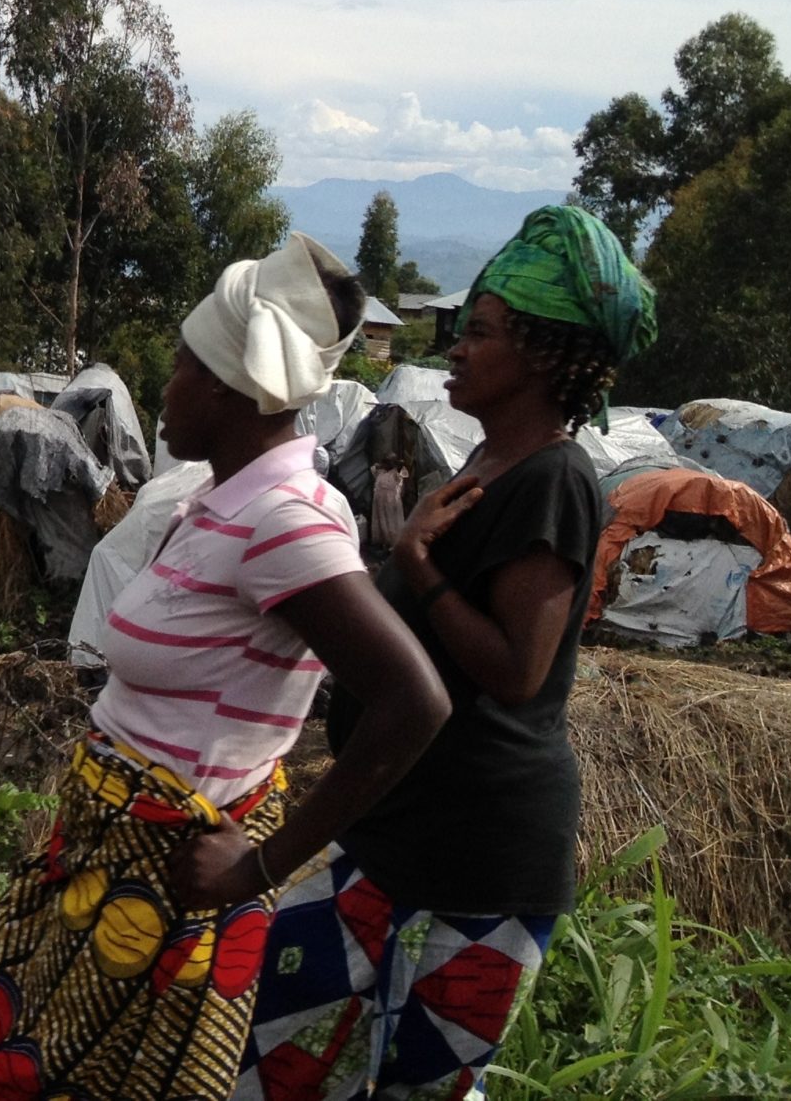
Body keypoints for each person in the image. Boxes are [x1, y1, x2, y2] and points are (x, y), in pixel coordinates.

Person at [0, 235, 453, 1101]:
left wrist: (262, 865)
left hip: (162, 894)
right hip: (98, 855)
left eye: (188, 362)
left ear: (236, 387)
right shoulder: (216, 499)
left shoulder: (285, 518)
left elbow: (412, 701)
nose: (167, 380)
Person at [235, 206, 653, 1101]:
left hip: (477, 859)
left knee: (404, 1086)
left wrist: (419, 566)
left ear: (542, 356)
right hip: (395, 829)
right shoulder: (486, 467)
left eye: (484, 333)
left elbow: (515, 669)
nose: (457, 347)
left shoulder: (555, 477)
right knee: (276, 1055)